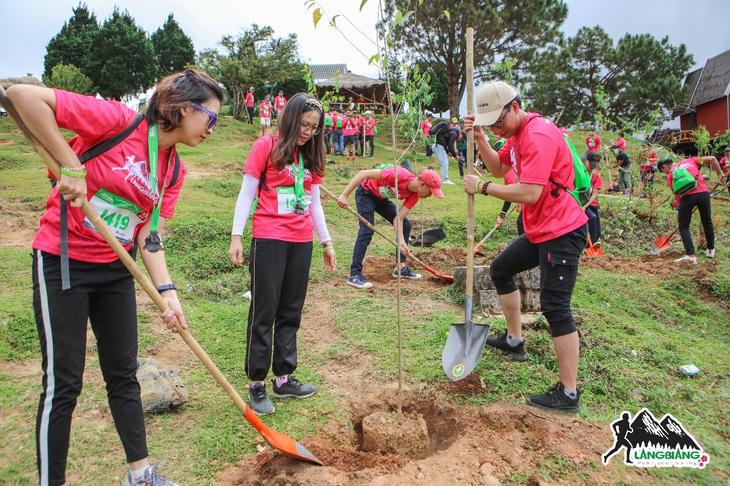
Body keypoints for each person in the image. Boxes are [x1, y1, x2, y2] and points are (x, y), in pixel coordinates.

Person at [6, 68, 224, 486]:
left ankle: (140, 474)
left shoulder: (173, 171)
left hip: (116, 269)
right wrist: (70, 163)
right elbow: (21, 96)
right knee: (63, 383)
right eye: (209, 118)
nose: (212, 129)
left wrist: (168, 291)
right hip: (62, 260)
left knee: (123, 373)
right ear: (180, 109)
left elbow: (148, 233)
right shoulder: (116, 121)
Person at [463, 81, 588, 413]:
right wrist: (481, 138)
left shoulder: (537, 136)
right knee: (500, 269)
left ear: (514, 107)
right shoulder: (515, 135)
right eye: (490, 124)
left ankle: (569, 393)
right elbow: (499, 168)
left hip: (562, 230)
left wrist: (483, 188)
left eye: (498, 122)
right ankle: (515, 342)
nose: (496, 128)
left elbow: (529, 192)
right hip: (540, 229)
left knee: (555, 307)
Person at [228, 94, 337, 415]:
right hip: (269, 238)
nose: (308, 132)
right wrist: (237, 236)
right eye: (304, 124)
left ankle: (284, 377)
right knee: (265, 310)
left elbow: (314, 202)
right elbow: (247, 193)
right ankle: (257, 382)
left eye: (315, 128)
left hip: (301, 241)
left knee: (291, 310)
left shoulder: (311, 156)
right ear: (290, 119)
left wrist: (326, 243)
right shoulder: (266, 147)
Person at [337, 166, 444, 289]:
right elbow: (364, 173)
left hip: (381, 199)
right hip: (366, 193)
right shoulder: (398, 174)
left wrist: (402, 243)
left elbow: (399, 219)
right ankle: (354, 274)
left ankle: (400, 268)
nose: (430, 195)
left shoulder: (414, 195)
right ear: (422, 184)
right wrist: (344, 195)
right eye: (431, 192)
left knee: (406, 224)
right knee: (366, 230)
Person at [657, 156, 724, 264]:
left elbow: (677, 195)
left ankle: (690, 255)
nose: (665, 173)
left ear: (664, 166)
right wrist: (719, 174)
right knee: (707, 221)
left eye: (663, 171)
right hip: (703, 193)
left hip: (687, 198)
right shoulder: (689, 160)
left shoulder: (670, 175)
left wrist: (682, 208)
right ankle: (710, 250)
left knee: (683, 226)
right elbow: (712, 158)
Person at [430, 120, 462, 185]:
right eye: (461, 137)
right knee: (445, 163)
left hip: (435, 146)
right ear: (460, 134)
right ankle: (445, 180)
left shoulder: (449, 132)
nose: (460, 139)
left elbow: (445, 144)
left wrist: (448, 152)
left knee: (443, 163)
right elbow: (450, 146)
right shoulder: (454, 134)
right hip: (439, 146)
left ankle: (444, 179)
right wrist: (455, 156)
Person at [583, 151, 604, 246]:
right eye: (591, 164)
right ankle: (594, 244)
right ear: (586, 160)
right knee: (592, 217)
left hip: (591, 203)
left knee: (597, 231)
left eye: (595, 165)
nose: (593, 167)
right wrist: (582, 207)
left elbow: (594, 195)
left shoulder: (596, 175)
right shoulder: (581, 173)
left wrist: (585, 207)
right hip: (581, 202)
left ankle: (590, 245)